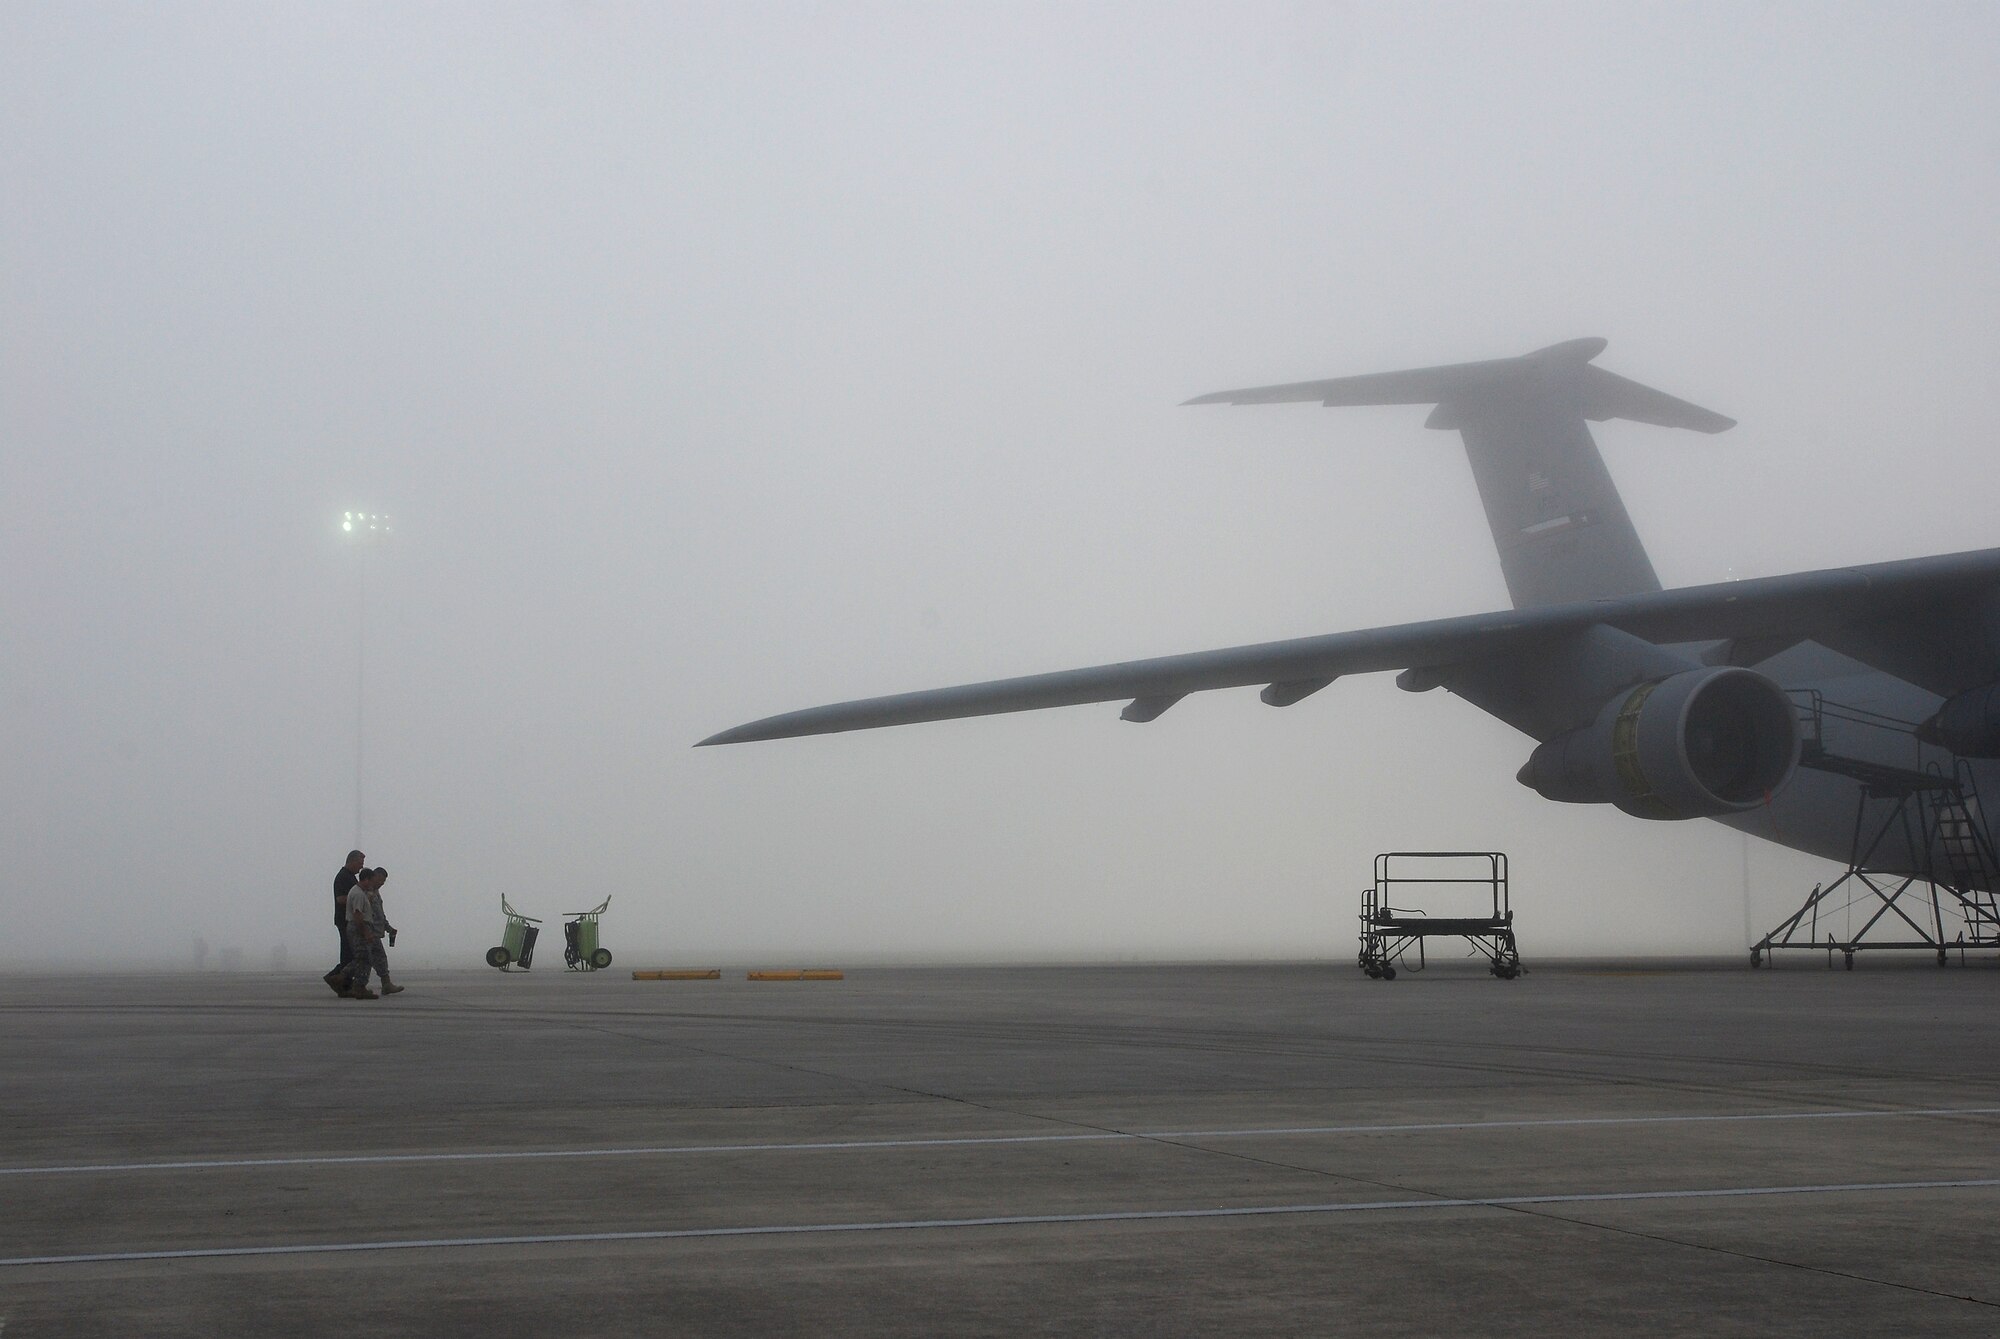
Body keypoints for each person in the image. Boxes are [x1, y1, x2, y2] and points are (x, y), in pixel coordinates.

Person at [324, 850, 364, 997]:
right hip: (345, 920)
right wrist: (360, 898)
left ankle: (343, 983)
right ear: (351, 861)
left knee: (350, 954)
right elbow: (340, 899)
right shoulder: (343, 877)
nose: (360, 868)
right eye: (360, 864)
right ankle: (336, 978)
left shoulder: (350, 877)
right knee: (349, 954)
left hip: (349, 920)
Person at [361, 867, 403, 996]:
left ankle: (386, 983)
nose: (382, 884)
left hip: (375, 931)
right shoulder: (366, 893)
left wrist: (388, 928)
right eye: (381, 881)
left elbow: (380, 914)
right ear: (375, 877)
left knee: (371, 958)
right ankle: (385, 984)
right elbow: (364, 912)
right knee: (370, 958)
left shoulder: (375, 893)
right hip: (369, 931)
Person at [342, 869, 380, 1000]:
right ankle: (359, 987)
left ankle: (341, 978)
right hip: (358, 927)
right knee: (365, 958)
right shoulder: (358, 894)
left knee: (361, 957)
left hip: (357, 926)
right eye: (372, 881)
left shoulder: (360, 892)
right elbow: (357, 915)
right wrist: (366, 932)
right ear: (366, 880)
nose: (373, 885)